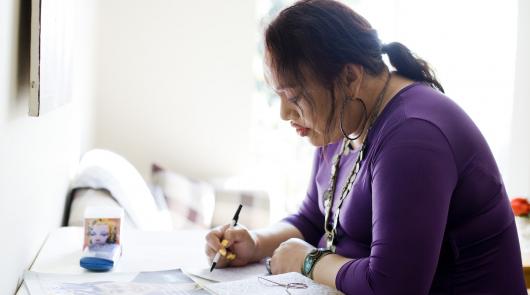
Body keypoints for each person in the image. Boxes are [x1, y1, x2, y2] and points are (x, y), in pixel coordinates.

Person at [205, 0, 526, 294]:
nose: (284, 113)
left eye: (294, 97)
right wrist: (256, 242)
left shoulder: (414, 138)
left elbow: (394, 286)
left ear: (349, 78)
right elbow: (315, 219)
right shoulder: (344, 118)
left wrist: (308, 262)